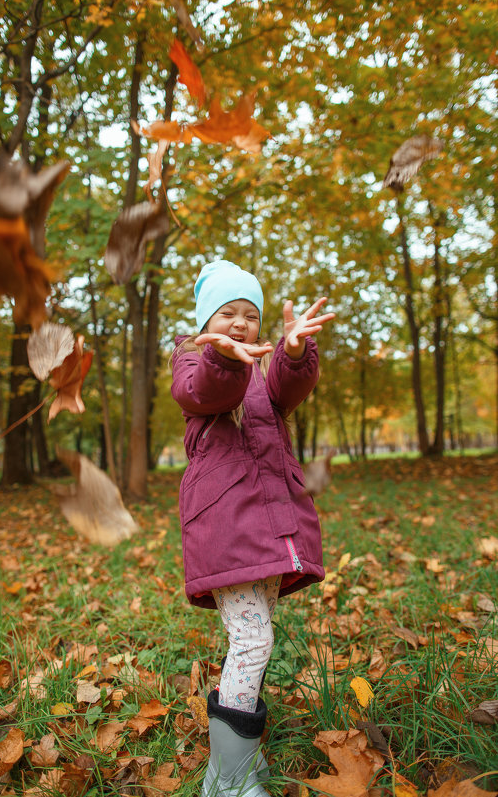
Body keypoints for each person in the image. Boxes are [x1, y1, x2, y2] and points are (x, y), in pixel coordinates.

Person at [171, 260, 335, 797]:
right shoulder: (194, 361)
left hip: (266, 531)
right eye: (227, 313)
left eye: (250, 315)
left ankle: (242, 759)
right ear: (204, 320)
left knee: (254, 640)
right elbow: (207, 393)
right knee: (252, 639)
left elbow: (288, 389)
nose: (241, 324)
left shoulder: (260, 378)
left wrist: (291, 354)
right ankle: (226, 779)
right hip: (225, 528)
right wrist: (223, 355)